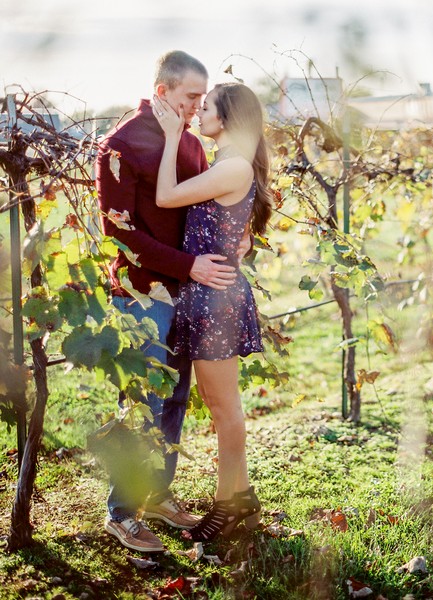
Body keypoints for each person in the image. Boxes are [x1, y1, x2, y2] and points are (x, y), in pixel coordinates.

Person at [96, 51, 242, 553]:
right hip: (142, 293)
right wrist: (188, 267)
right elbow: (119, 233)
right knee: (142, 400)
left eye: (203, 99)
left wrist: (235, 242)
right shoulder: (121, 145)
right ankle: (121, 511)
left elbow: (201, 210)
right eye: (191, 98)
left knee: (175, 398)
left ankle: (157, 494)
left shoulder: (188, 144)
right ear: (163, 93)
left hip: (186, 291)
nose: (198, 107)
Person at [152, 81, 273, 541]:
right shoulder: (228, 163)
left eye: (207, 109)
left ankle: (227, 506)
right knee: (223, 405)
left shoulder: (234, 165)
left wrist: (167, 139)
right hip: (208, 295)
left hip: (214, 299)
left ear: (226, 119)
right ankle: (240, 497)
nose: (199, 114)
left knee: (225, 409)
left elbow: (166, 197)